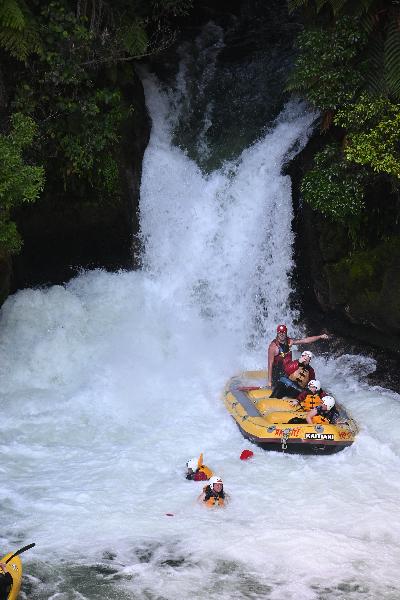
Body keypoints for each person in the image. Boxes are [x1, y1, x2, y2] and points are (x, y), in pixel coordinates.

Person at [267, 325, 329, 389]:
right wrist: (269, 383)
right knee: (294, 387)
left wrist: (320, 336)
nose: (282, 334)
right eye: (280, 332)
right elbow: (270, 364)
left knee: (304, 365)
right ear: (277, 333)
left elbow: (305, 340)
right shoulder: (273, 347)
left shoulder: (289, 341)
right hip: (278, 374)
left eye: (283, 332)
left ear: (286, 333)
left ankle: (312, 385)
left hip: (287, 371)